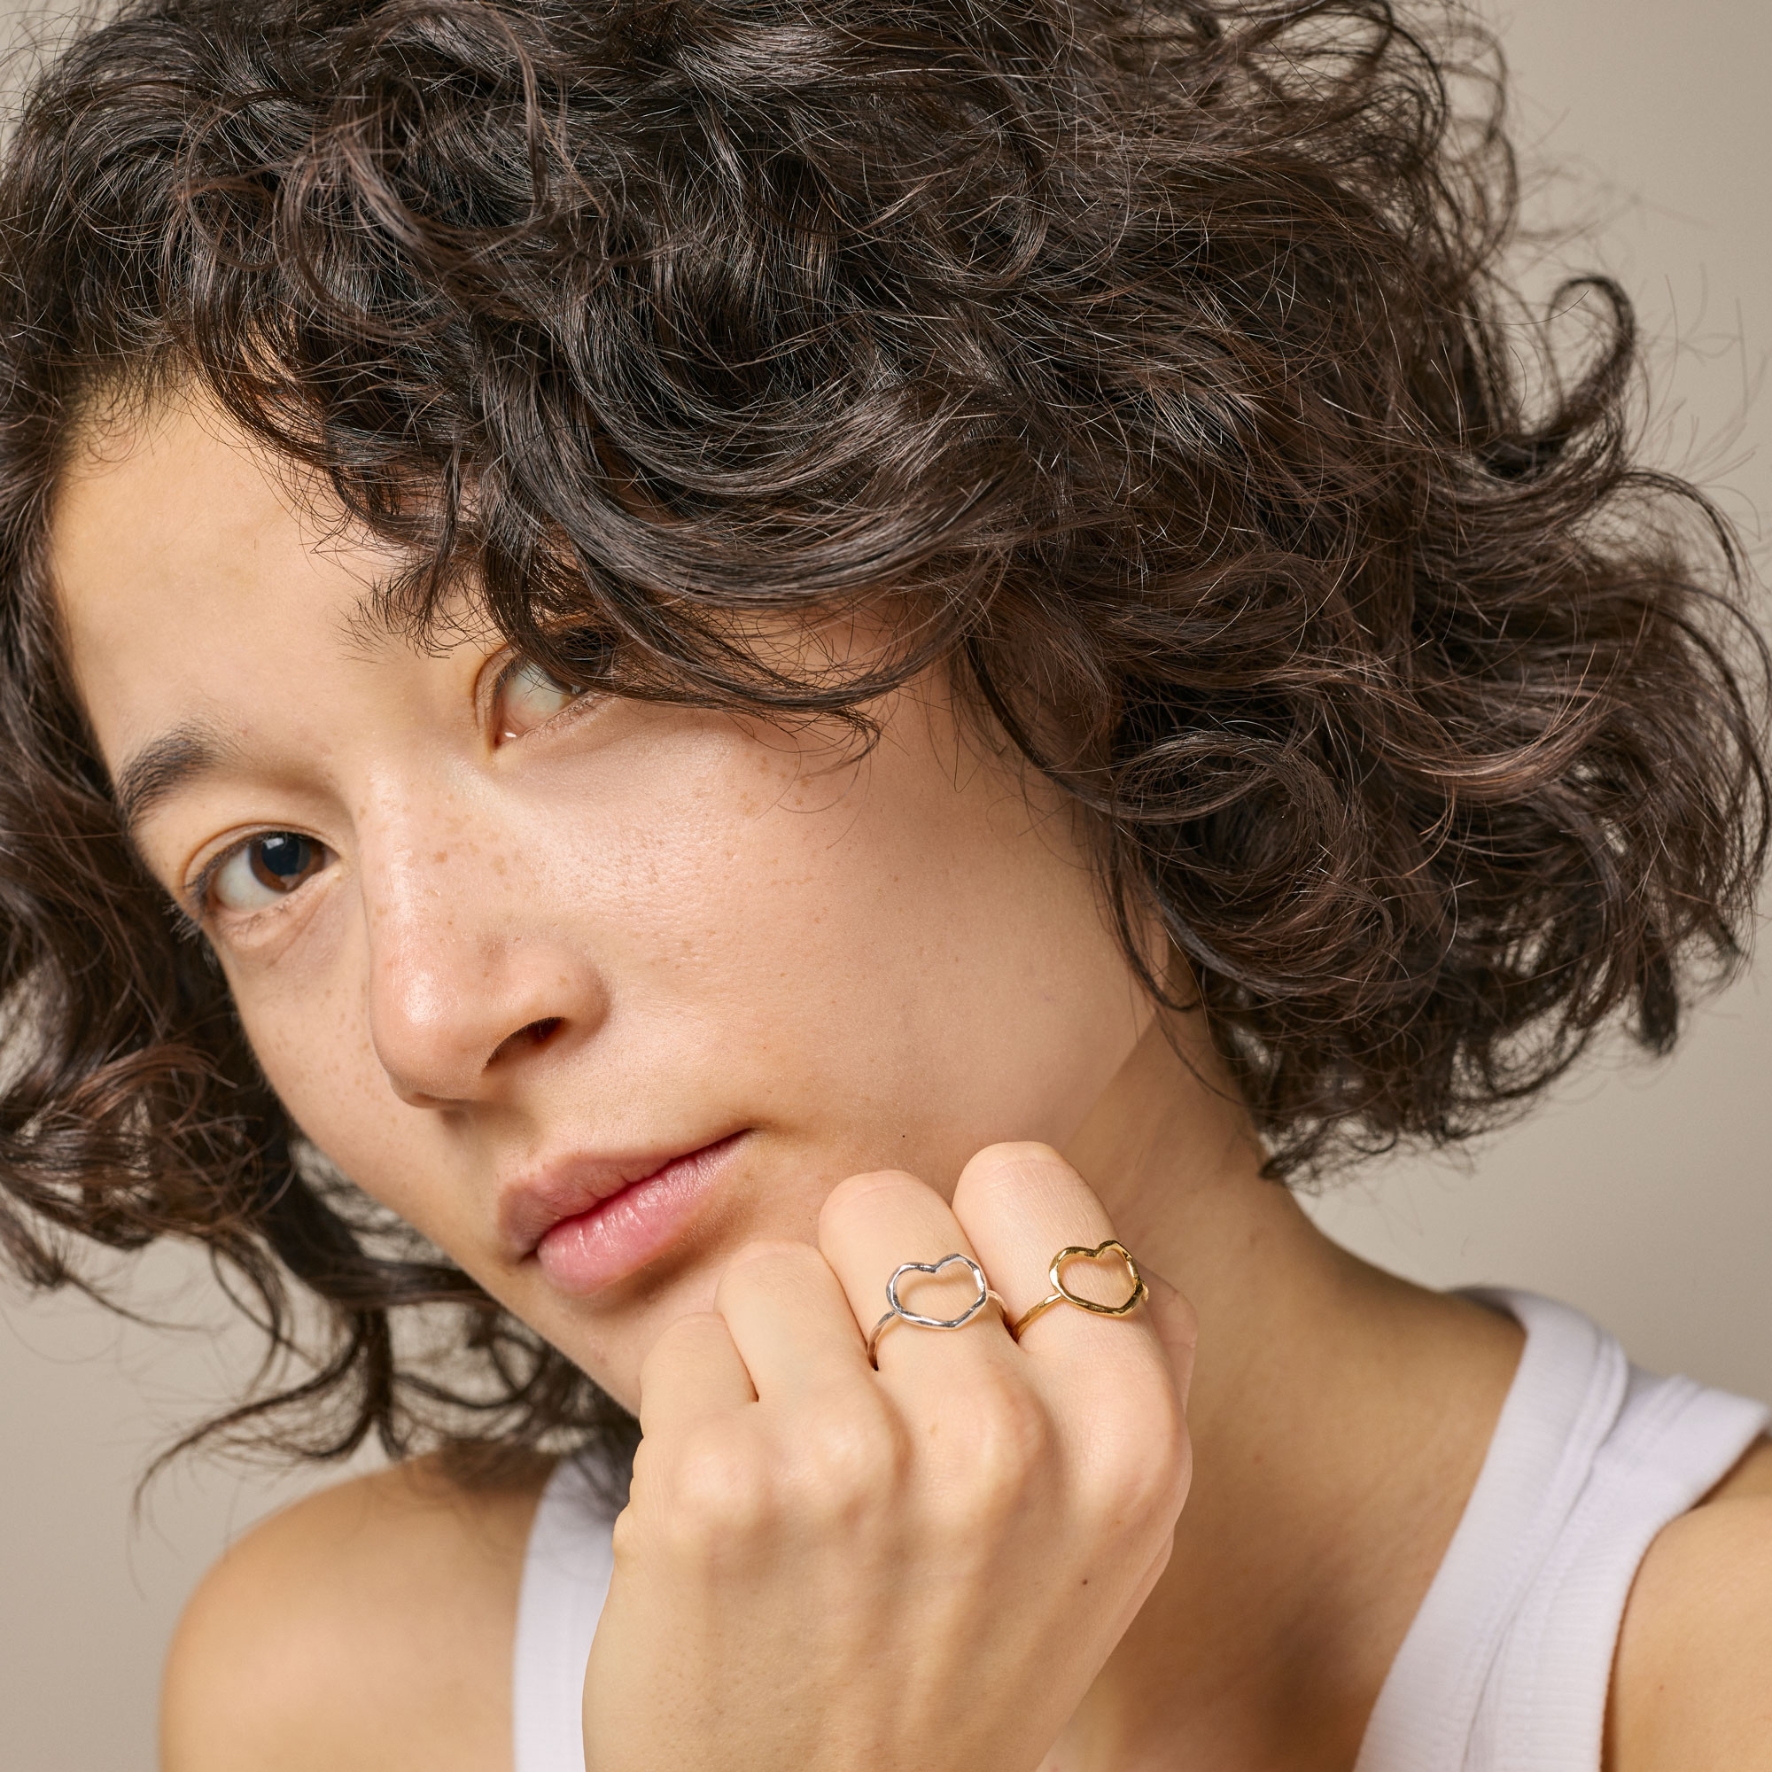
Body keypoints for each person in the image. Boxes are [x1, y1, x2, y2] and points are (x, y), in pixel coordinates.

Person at [1, 0, 1769, 1766]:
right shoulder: (349, 1699)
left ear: (1082, 569)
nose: (429, 1020)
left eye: (559, 661)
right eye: (271, 862)